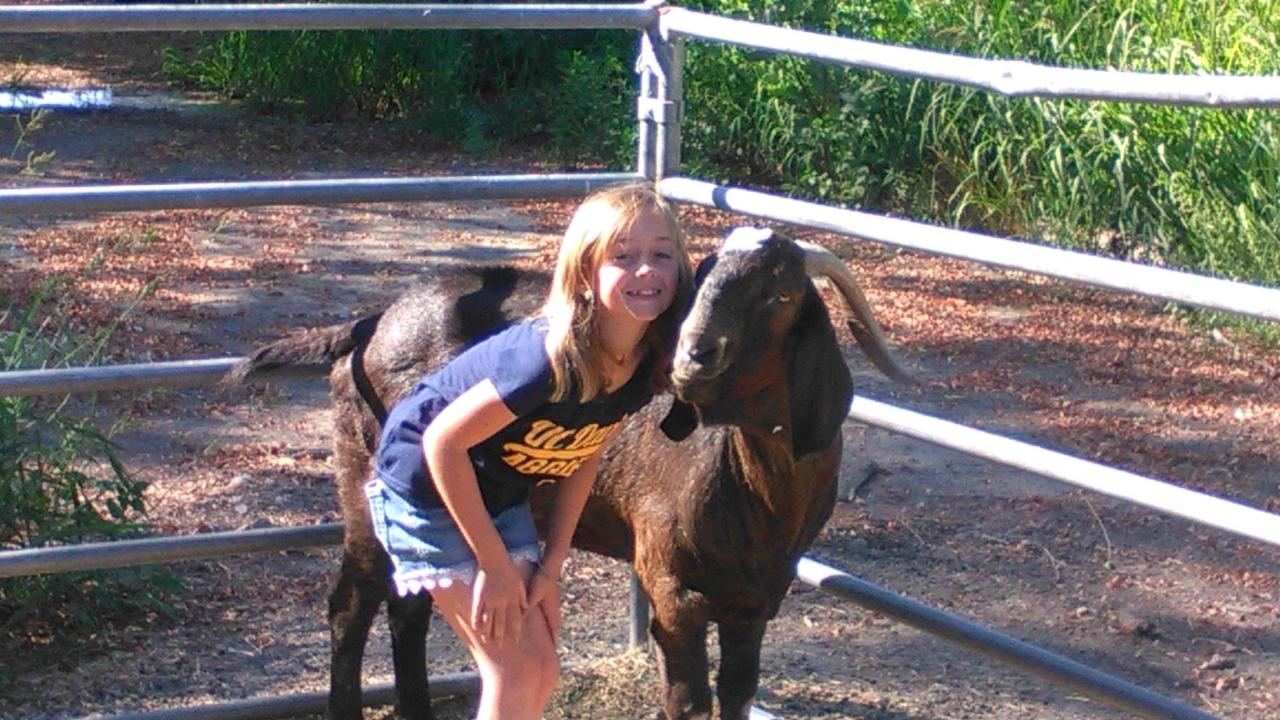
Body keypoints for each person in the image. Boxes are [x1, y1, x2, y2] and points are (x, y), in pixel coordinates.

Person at [364, 182, 694, 720]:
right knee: (513, 670)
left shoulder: (644, 360)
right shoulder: (544, 360)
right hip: (424, 487)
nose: (646, 271)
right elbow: (441, 442)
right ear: (585, 271)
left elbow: (584, 450)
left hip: (496, 490)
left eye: (662, 255)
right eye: (623, 257)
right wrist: (494, 567)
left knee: (541, 668)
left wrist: (552, 564)